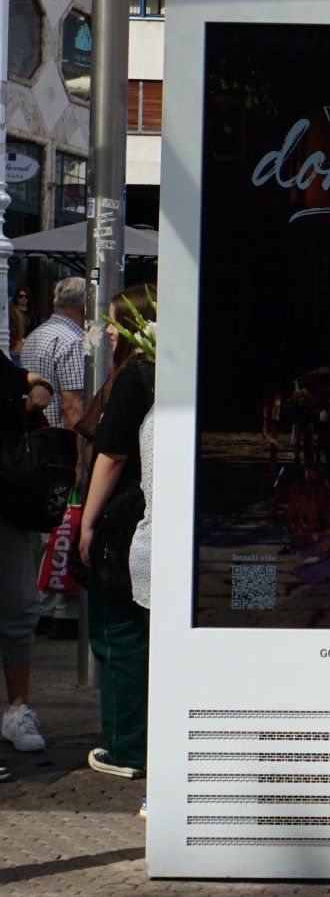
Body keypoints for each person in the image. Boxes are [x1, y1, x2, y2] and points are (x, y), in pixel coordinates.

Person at [76, 284, 157, 782]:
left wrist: (87, 522)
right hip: (148, 513)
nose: (109, 331)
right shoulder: (165, 373)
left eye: (115, 322)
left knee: (116, 631)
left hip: (124, 517)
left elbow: (112, 456)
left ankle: (126, 747)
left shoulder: (134, 377)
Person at [1, 351, 56, 763]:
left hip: (6, 502)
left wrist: (38, 388)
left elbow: (33, 380)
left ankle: (18, 710)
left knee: (20, 603)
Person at [19, 277, 86, 431]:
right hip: (58, 439)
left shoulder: (33, 335)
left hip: (33, 434)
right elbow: (71, 406)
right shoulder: (73, 341)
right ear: (84, 307)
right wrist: (78, 452)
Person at [9, 290, 34, 357]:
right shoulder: (12, 312)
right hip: (15, 342)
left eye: (26, 297)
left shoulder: (33, 312)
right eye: (21, 296)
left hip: (29, 342)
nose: (23, 298)